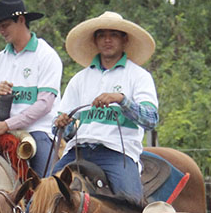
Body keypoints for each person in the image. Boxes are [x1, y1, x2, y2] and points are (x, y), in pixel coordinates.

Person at [52, 12, 158, 199]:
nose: (107, 40)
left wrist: (121, 100)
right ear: (95, 40)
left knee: (131, 207)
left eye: (114, 34)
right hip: (78, 151)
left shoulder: (139, 76)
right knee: (43, 195)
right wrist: (62, 123)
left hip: (117, 152)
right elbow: (68, 130)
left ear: (124, 39)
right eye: (102, 35)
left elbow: (151, 119)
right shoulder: (79, 79)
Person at [0, 0, 62, 175]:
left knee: (44, 184)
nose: (1, 31)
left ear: (22, 20)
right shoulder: (0, 58)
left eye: (5, 25)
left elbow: (44, 105)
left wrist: (7, 125)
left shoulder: (46, 55)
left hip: (38, 130)